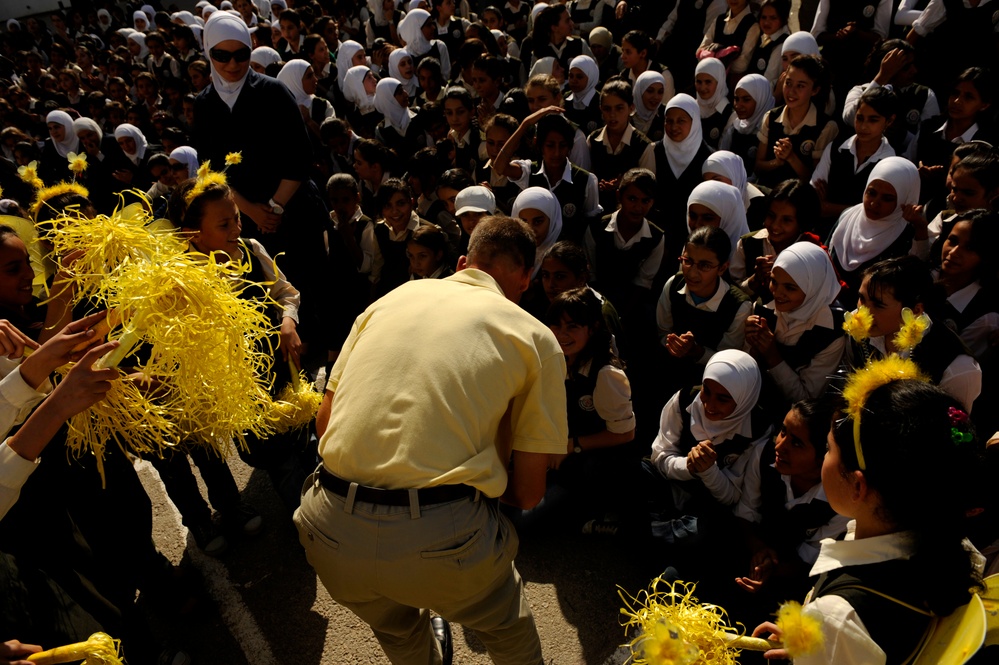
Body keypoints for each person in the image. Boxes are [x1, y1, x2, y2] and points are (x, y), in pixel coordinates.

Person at [295, 215, 568, 665]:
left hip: (328, 528)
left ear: (463, 263)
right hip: (443, 540)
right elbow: (527, 493)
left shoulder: (391, 299)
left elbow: (325, 424)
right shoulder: (535, 336)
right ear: (526, 277)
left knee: (397, 631)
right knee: (506, 628)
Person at [753, 376, 983, 664]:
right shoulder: (947, 544)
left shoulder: (836, 617)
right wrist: (819, 646)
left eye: (828, 449)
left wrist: (825, 641)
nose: (825, 458)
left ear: (858, 487)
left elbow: (851, 630)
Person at [744, 241, 845, 407]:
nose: (777, 293)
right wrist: (752, 347)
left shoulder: (831, 331)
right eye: (774, 282)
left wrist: (772, 356)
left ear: (813, 287)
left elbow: (807, 399)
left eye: (790, 288)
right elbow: (743, 375)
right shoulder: (763, 308)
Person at [827, 156, 926, 302]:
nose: (874, 203)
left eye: (887, 198)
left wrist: (920, 227)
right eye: (871, 193)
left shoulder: (908, 236)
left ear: (905, 200)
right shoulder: (848, 217)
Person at [731, 179, 822, 302]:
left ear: (802, 222)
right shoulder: (748, 244)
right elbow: (733, 294)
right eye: (771, 215)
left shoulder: (813, 251)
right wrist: (756, 279)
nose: (775, 226)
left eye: (786, 220)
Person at [719, 73, 775, 174]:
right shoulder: (735, 125)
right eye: (736, 99)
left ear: (760, 99)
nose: (738, 105)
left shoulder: (771, 130)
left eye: (746, 100)